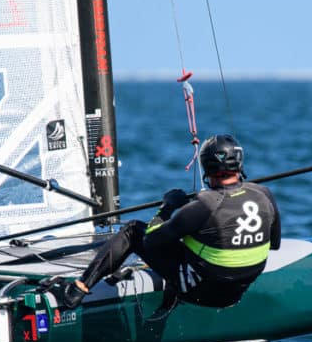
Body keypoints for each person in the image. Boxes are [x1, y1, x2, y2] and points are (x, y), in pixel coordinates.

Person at [49, 134, 281, 316]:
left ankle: (76, 291)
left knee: (132, 231)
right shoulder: (264, 194)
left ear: (207, 168)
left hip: (202, 293)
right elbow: (275, 243)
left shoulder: (204, 204)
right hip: (237, 293)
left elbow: (151, 238)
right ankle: (172, 294)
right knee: (199, 244)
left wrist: (168, 206)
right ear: (239, 164)